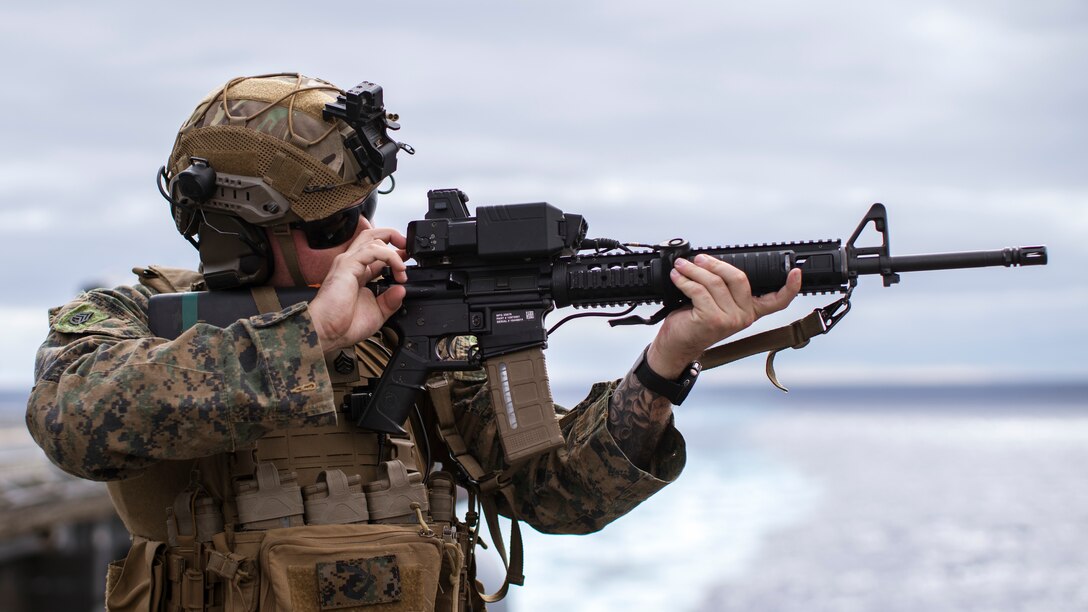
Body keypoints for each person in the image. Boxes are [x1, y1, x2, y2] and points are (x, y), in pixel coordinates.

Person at [26, 73, 802, 611]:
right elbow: (75, 420)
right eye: (335, 227)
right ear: (238, 229)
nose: (369, 238)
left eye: (367, 210)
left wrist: (668, 362)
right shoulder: (130, 318)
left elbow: (554, 493)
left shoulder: (403, 328)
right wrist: (313, 334)